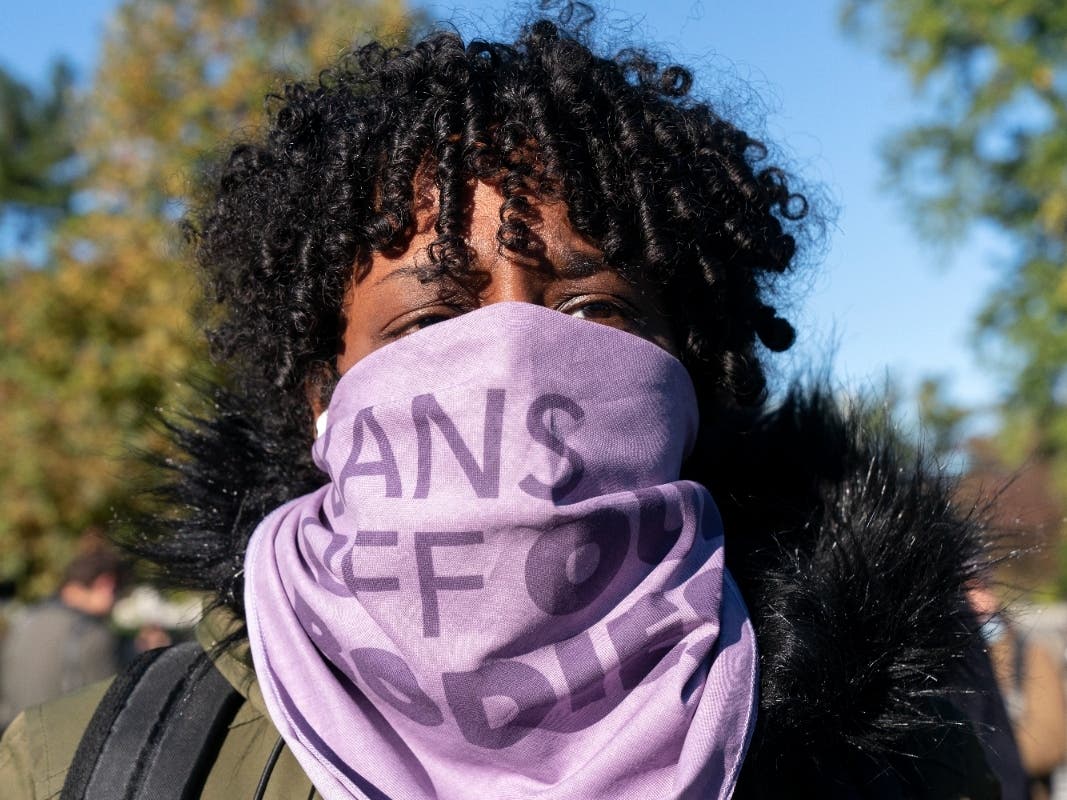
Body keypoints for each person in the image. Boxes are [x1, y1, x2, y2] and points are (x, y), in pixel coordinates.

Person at [0, 8, 1001, 798]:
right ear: (320, 394)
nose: (514, 356)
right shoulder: (89, 760)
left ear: (694, 382)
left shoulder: (888, 758)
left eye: (593, 306)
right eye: (430, 319)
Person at [0, 538, 122, 732]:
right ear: (106, 584)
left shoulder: (25, 621)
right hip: (63, 752)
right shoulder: (92, 635)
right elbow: (110, 714)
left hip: (14, 748)